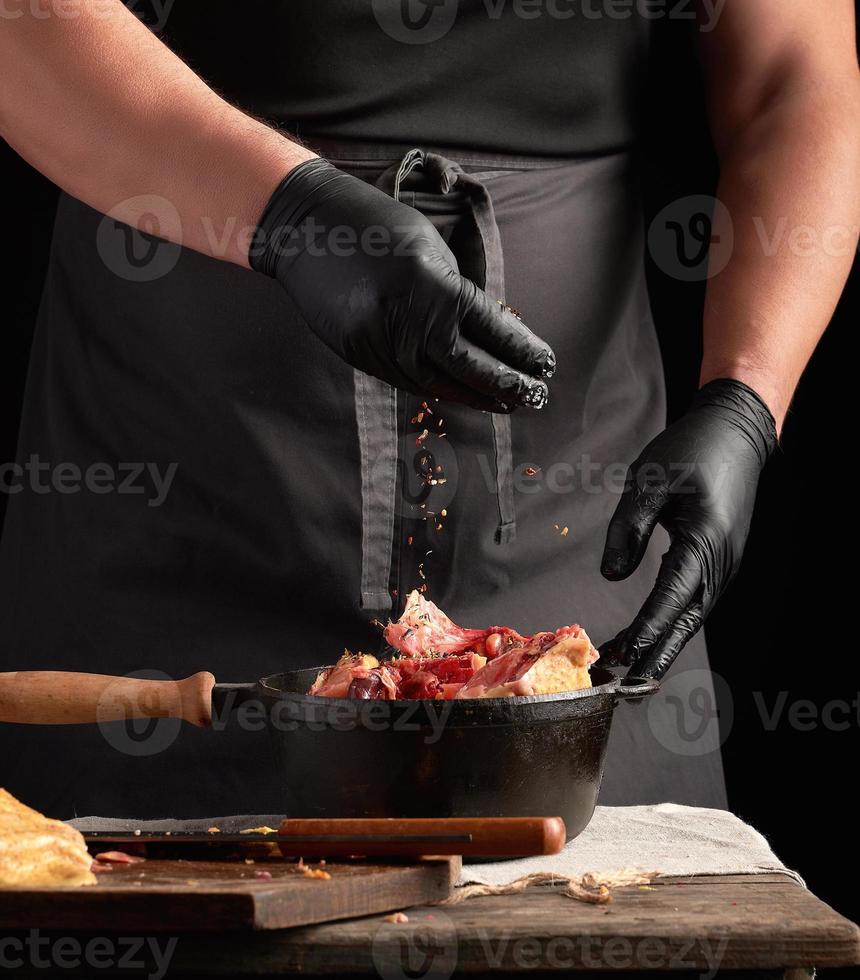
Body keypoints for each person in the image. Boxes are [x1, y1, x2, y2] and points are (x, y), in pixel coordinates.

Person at [0, 1, 857, 819]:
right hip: (173, 521)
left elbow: (797, 74)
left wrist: (747, 396)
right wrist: (291, 217)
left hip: (580, 544)